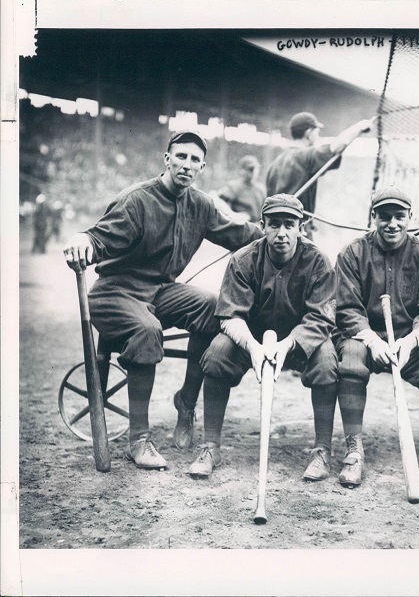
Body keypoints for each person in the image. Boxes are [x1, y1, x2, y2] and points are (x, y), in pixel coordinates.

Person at [62, 131, 263, 470]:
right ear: (166, 159)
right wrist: (82, 239)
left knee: (213, 309)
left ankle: (186, 401)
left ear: (203, 167)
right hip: (115, 291)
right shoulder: (137, 199)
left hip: (161, 290)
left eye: (194, 159)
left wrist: (274, 232)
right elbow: (98, 237)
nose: (187, 164)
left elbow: (240, 235)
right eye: (180, 156)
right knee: (147, 330)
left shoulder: (202, 205)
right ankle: (138, 440)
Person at [189, 194, 338, 479]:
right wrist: (252, 347)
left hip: (297, 342)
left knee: (327, 359)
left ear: (301, 227)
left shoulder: (318, 261)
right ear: (262, 225)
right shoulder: (244, 259)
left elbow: (321, 318)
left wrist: (288, 345)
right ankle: (210, 446)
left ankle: (322, 451)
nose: (282, 233)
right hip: (253, 341)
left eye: (289, 224)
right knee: (218, 352)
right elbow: (230, 316)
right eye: (274, 224)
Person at [334, 187, 419, 487]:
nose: (392, 223)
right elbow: (347, 309)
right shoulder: (352, 253)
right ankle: (354, 450)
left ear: (409, 218)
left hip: (408, 339)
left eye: (399, 216)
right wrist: (372, 341)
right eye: (385, 216)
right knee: (349, 357)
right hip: (364, 337)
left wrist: (411, 340)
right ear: (373, 217)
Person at [265, 111, 374, 239]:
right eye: (317, 132)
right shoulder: (305, 156)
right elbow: (339, 145)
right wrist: (360, 126)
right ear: (308, 133)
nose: (318, 136)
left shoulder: (274, 164)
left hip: (274, 234)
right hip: (296, 233)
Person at [215, 155, 266, 221]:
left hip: (257, 225)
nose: (254, 172)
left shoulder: (261, 189)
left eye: (256, 169)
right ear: (242, 171)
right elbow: (216, 199)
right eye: (250, 169)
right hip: (240, 224)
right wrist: (232, 214)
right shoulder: (234, 186)